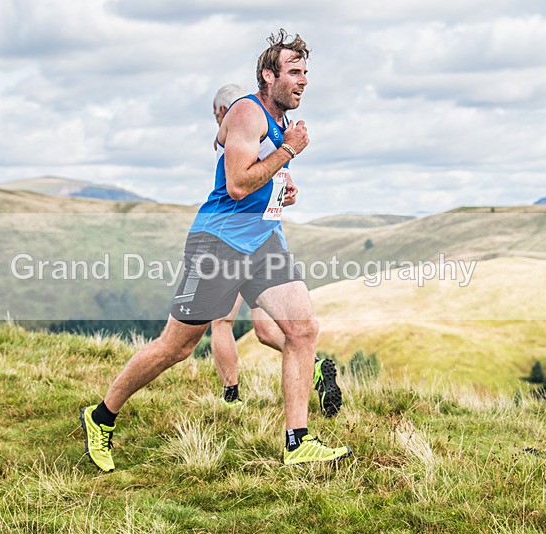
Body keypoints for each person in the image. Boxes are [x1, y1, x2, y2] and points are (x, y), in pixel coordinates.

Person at [81, 29, 352, 471]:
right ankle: (100, 416)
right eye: (294, 72)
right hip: (220, 244)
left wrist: (281, 188)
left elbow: (258, 182)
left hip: (262, 242)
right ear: (269, 75)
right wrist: (288, 152)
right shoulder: (248, 112)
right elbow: (238, 184)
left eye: (306, 72)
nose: (303, 80)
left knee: (302, 330)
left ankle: (297, 442)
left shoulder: (279, 120)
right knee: (177, 347)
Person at [208, 84, 343, 418]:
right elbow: (281, 185)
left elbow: (239, 187)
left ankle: (230, 394)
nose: (218, 123)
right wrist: (286, 194)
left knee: (221, 322)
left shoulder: (233, 137)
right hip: (268, 238)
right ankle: (311, 366)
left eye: (216, 115)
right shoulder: (268, 135)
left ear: (226, 111)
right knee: (268, 329)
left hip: (238, 241)